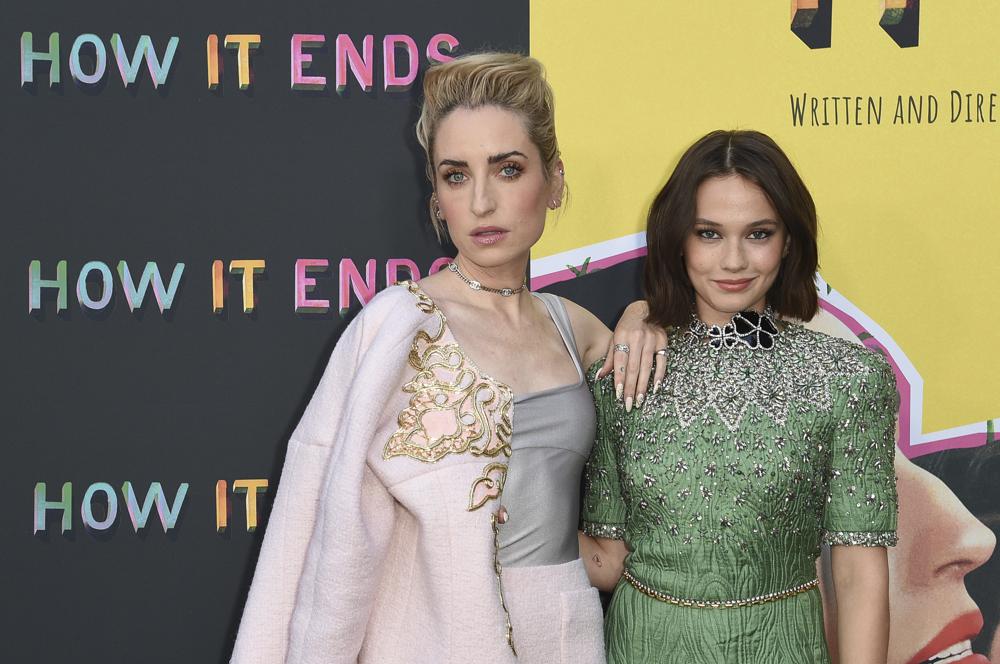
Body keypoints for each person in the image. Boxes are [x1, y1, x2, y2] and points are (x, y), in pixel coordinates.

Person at [229, 52, 663, 664]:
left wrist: (644, 312)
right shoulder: (397, 326)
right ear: (436, 195)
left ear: (554, 180)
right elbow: (324, 529)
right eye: (456, 176)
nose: (482, 202)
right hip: (439, 640)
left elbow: (653, 364)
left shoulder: (575, 329)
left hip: (566, 638)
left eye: (508, 169)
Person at [581, 129, 899, 663]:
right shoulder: (625, 373)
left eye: (758, 234)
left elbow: (858, 573)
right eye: (708, 233)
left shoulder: (848, 378)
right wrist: (512, 510)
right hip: (643, 646)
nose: (733, 261)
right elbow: (609, 560)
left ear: (788, 241)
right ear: (678, 240)